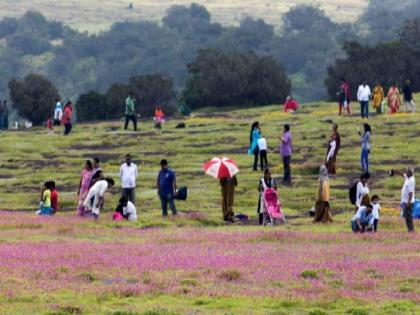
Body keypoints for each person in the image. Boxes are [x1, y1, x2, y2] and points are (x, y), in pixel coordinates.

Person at [392, 168, 416, 232]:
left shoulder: (411, 181)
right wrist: (396, 171)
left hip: (409, 202)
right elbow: (402, 174)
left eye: (407, 171)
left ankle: (411, 230)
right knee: (407, 216)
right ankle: (410, 229)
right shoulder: (408, 177)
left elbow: (411, 193)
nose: (405, 172)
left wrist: (408, 202)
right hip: (405, 201)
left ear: (410, 173)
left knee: (408, 217)